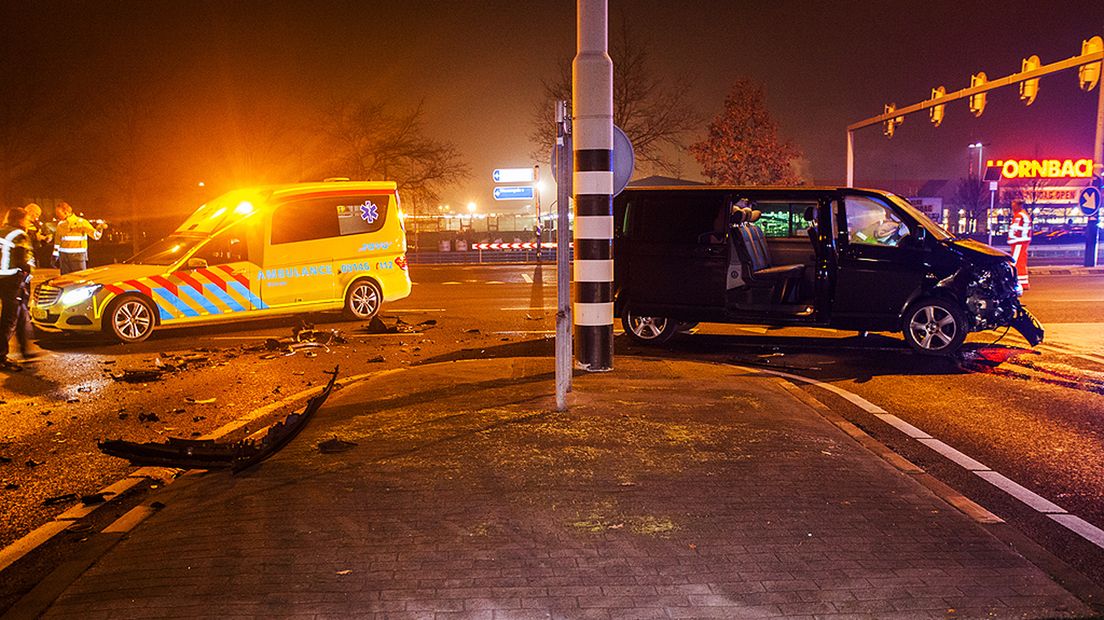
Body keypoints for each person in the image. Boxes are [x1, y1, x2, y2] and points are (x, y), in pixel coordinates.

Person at [1, 207, 35, 371]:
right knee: (10, 319)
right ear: (20, 219)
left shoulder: (2, 231)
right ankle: (1, 356)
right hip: (12, 280)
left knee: (20, 314)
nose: (29, 222)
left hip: (2, 278)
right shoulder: (19, 235)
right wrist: (27, 276)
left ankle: (25, 349)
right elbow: (23, 261)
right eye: (27, 219)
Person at [53, 201, 106, 275]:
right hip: (64, 258)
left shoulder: (81, 222)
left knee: (80, 280)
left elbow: (95, 236)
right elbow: (57, 242)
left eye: (58, 213)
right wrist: (55, 256)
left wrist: (100, 228)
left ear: (66, 212)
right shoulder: (60, 224)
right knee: (65, 281)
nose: (57, 215)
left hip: (77, 257)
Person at [1007, 199, 1032, 291]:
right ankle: (1023, 282)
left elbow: (1015, 230)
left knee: (1015, 262)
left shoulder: (1019, 216)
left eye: (1013, 205)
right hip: (1020, 242)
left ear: (1018, 206)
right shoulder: (1023, 215)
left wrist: (1011, 238)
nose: (1012, 208)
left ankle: (1017, 283)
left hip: (1019, 242)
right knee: (1020, 262)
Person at [23, 203, 51, 268]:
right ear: (30, 212)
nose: (37, 217)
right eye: (37, 214)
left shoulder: (35, 224)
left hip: (35, 250)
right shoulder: (24, 223)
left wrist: (45, 238)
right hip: (27, 252)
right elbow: (25, 236)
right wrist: (37, 237)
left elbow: (39, 233)